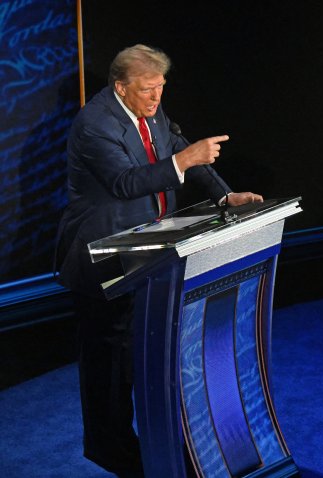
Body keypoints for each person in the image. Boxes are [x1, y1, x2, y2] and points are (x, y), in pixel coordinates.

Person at [55, 44, 262, 476]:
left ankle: (152, 445)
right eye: (148, 90)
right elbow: (126, 181)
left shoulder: (153, 112)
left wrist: (224, 194)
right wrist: (184, 159)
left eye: (161, 88)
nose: (156, 98)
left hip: (149, 251)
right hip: (104, 257)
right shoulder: (94, 124)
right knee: (108, 364)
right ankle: (112, 452)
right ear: (121, 88)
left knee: (140, 354)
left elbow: (185, 149)